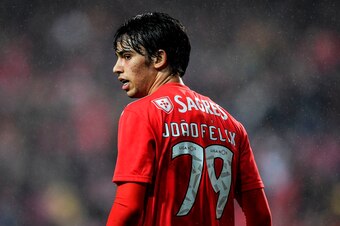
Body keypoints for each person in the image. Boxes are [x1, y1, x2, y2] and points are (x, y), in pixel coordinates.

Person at [106, 12, 272, 226]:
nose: (117, 67)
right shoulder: (232, 125)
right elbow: (261, 215)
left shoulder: (141, 113)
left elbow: (128, 207)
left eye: (127, 56)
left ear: (158, 58)